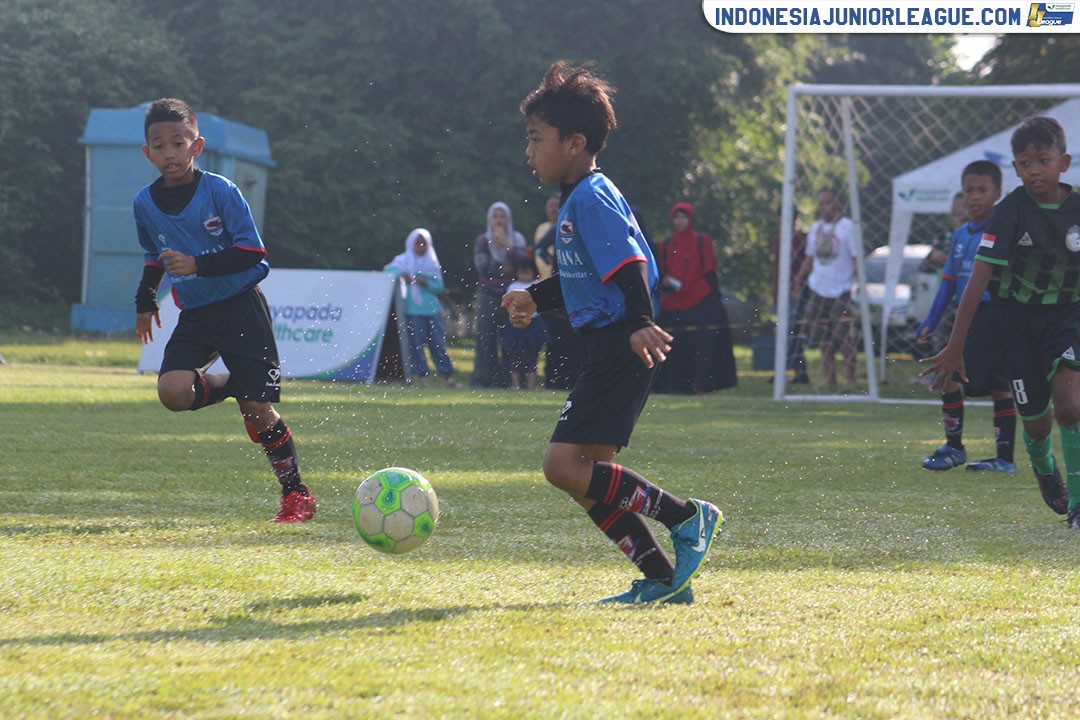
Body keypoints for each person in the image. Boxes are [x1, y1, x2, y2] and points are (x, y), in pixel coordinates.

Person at [503, 60, 723, 604]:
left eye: (537, 139)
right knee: (588, 475)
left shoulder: (591, 198)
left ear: (574, 142)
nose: (529, 152)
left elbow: (629, 266)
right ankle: (663, 580)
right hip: (612, 341)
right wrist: (536, 296)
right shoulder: (580, 199)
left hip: (620, 344)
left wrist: (641, 323)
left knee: (562, 468)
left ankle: (686, 516)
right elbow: (588, 281)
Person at [133, 98, 315, 523]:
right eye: (158, 146)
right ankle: (235, 384)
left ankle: (296, 495)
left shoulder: (221, 190)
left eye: (177, 143)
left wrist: (198, 264)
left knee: (258, 409)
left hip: (241, 309)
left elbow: (254, 254)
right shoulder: (144, 202)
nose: (169, 153)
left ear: (196, 146)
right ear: (147, 153)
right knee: (173, 393)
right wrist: (144, 300)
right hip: (196, 314)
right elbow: (152, 255)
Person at [921, 116, 1077, 523]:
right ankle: (1042, 465)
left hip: (1066, 317)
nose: (1034, 170)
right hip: (1015, 324)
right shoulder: (1008, 213)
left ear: (1064, 161)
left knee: (1071, 407)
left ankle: (1077, 503)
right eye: (1025, 163)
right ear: (1016, 169)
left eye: (1043, 160)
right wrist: (955, 345)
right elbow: (977, 280)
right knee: (1038, 422)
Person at [915, 161, 1016, 473]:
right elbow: (949, 280)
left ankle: (957, 447)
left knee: (948, 376)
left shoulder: (1001, 229)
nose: (975, 197)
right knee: (997, 386)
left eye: (982, 190)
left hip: (991, 314)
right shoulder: (960, 235)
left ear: (997, 193)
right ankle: (1002, 459)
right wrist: (931, 319)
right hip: (966, 315)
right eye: (969, 190)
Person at [653, 202, 737, 395]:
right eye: (677, 217)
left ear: (690, 219)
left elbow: (709, 269)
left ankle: (700, 385)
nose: (680, 221)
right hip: (673, 303)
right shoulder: (666, 244)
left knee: (700, 345)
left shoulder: (701, 241)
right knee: (674, 347)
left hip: (698, 300)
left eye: (684, 217)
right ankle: (674, 386)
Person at [793, 189, 858, 390]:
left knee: (843, 337)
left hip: (841, 289)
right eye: (820, 204)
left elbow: (856, 259)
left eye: (827, 203)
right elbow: (810, 258)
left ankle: (852, 380)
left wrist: (859, 285)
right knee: (823, 339)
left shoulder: (848, 228)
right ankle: (831, 381)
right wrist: (797, 281)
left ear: (837, 203)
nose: (823, 208)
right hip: (817, 289)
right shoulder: (815, 228)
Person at [383, 228, 461, 388]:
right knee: (416, 345)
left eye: (423, 244)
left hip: (432, 309)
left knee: (438, 343)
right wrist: (403, 274)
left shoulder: (431, 263)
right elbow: (388, 270)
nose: (420, 247)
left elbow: (439, 287)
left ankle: (447, 377)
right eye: (417, 244)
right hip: (412, 309)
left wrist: (425, 282)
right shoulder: (403, 260)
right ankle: (421, 378)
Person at [471, 201, 527, 388]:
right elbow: (482, 268)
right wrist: (508, 264)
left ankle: (510, 382)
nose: (499, 220)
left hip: (512, 295)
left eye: (503, 216)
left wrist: (506, 244)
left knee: (512, 341)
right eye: (495, 216)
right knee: (485, 341)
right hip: (487, 295)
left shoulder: (517, 239)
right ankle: (483, 382)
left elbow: (524, 264)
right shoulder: (482, 240)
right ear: (490, 219)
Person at [771, 205, 810, 384]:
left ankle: (783, 370)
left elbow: (805, 265)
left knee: (791, 331)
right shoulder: (778, 240)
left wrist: (798, 286)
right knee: (787, 331)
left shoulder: (802, 238)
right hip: (781, 292)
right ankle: (800, 372)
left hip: (796, 292)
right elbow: (777, 268)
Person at [501, 257, 547, 389]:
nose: (524, 275)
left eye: (527, 272)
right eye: (521, 272)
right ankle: (515, 384)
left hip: (533, 323)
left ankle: (531, 385)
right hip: (516, 324)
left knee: (532, 355)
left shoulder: (538, 285)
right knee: (515, 354)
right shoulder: (513, 286)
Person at [533, 194, 560, 280]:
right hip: (546, 276)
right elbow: (539, 248)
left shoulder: (565, 226)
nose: (554, 209)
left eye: (557, 206)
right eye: (551, 206)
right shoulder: (542, 228)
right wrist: (550, 260)